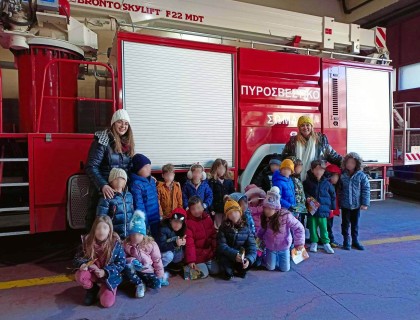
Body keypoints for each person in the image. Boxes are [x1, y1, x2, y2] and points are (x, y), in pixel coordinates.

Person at [85, 109, 135, 231]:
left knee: (118, 226)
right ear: (113, 123)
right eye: (120, 122)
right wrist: (103, 186)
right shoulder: (102, 140)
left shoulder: (127, 143)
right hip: (104, 193)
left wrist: (146, 176)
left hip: (120, 192)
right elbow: (91, 166)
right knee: (99, 227)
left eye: (126, 123)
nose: (123, 126)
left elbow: (129, 168)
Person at [73, 215, 126, 308]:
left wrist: (105, 272)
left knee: (106, 303)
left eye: (105, 228)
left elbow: (121, 264)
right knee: (80, 275)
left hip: (109, 277)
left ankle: (107, 288)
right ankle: (92, 290)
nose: (101, 231)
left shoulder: (116, 244)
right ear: (94, 230)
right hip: (94, 273)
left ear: (110, 230)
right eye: (98, 228)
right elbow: (77, 258)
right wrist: (82, 264)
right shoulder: (87, 241)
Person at [256, 187, 305, 272]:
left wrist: (299, 243)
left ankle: (281, 258)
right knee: (270, 268)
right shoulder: (265, 217)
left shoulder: (286, 216)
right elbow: (262, 229)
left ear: (276, 209)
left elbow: (299, 228)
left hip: (284, 247)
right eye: (265, 208)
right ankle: (267, 257)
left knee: (285, 269)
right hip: (270, 247)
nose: (266, 211)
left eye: (270, 208)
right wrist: (258, 239)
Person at [281, 115, 342, 181]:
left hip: (316, 180)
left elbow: (334, 157)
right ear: (299, 128)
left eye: (307, 125)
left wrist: (346, 164)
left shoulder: (321, 141)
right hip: (296, 179)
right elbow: (284, 158)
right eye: (302, 125)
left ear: (311, 126)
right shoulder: (293, 142)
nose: (305, 127)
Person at [123, 211, 168, 299]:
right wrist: (131, 260)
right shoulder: (126, 244)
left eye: (139, 234)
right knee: (127, 268)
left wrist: (160, 275)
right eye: (133, 234)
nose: (136, 237)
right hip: (134, 271)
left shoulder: (151, 244)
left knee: (156, 284)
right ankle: (139, 284)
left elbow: (157, 260)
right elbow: (123, 258)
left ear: (143, 234)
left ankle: (148, 281)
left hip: (147, 271)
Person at [217, 199, 257, 280]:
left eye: (235, 212)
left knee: (244, 271)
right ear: (227, 216)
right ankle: (230, 269)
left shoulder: (246, 226)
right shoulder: (223, 227)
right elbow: (222, 246)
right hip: (228, 255)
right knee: (227, 274)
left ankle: (238, 268)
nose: (233, 215)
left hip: (241, 256)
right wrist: (235, 255)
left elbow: (252, 247)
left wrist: (248, 259)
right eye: (230, 213)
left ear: (240, 212)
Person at [303, 160, 336, 254]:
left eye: (321, 169)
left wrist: (332, 208)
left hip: (323, 209)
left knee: (323, 226)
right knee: (312, 227)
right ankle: (314, 242)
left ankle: (326, 243)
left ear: (324, 170)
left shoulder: (327, 183)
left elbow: (333, 195)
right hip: (311, 208)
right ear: (312, 170)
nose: (318, 172)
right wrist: (308, 199)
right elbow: (303, 193)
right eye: (316, 169)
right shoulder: (307, 182)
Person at [340, 152, 370, 251]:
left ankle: (355, 241)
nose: (350, 165)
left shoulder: (361, 176)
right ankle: (346, 241)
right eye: (348, 162)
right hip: (345, 204)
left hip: (356, 205)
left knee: (355, 224)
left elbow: (365, 189)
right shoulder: (342, 175)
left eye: (352, 163)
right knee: (345, 224)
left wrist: (365, 203)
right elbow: (339, 189)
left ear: (357, 164)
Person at [185, 196, 219, 278]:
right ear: (189, 209)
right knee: (203, 274)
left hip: (208, 254)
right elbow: (190, 244)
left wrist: (215, 252)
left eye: (199, 207)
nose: (196, 211)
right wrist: (191, 260)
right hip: (197, 256)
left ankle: (205, 265)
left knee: (216, 270)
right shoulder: (188, 223)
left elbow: (213, 236)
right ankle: (187, 269)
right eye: (193, 209)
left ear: (203, 207)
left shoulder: (208, 218)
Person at [96, 168, 134, 239]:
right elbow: (101, 218)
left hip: (128, 235)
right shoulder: (106, 197)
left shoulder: (129, 195)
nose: (119, 180)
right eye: (116, 178)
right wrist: (108, 232)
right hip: (113, 236)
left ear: (125, 182)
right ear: (110, 181)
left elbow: (132, 213)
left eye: (122, 178)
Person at [129, 154, 160, 239]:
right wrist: (144, 223)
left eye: (149, 166)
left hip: (156, 218)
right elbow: (139, 206)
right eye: (145, 167)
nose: (149, 169)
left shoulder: (152, 180)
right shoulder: (136, 184)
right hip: (147, 221)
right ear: (138, 169)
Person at [158, 208, 187, 273]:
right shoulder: (163, 229)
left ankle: (172, 265)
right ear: (171, 221)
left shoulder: (181, 231)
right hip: (161, 254)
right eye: (175, 221)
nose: (177, 224)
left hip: (173, 255)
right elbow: (161, 247)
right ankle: (159, 269)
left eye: (180, 223)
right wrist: (174, 244)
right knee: (169, 255)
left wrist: (183, 243)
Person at [208, 158, 235, 225]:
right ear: (215, 168)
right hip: (217, 209)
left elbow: (233, 194)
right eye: (219, 168)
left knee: (227, 223)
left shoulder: (229, 181)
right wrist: (211, 209)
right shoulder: (212, 181)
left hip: (227, 208)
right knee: (218, 224)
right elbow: (210, 196)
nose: (222, 170)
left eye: (223, 168)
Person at [325, 164, 342, 248]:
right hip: (327, 210)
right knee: (327, 226)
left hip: (330, 210)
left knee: (328, 225)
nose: (336, 179)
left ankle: (328, 240)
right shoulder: (327, 186)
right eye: (334, 176)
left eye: (337, 176)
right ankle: (330, 240)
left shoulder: (335, 187)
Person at [288, 157, 308, 224]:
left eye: (301, 167)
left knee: (300, 222)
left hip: (300, 206)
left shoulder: (297, 178)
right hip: (296, 206)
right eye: (299, 167)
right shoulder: (291, 179)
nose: (300, 169)